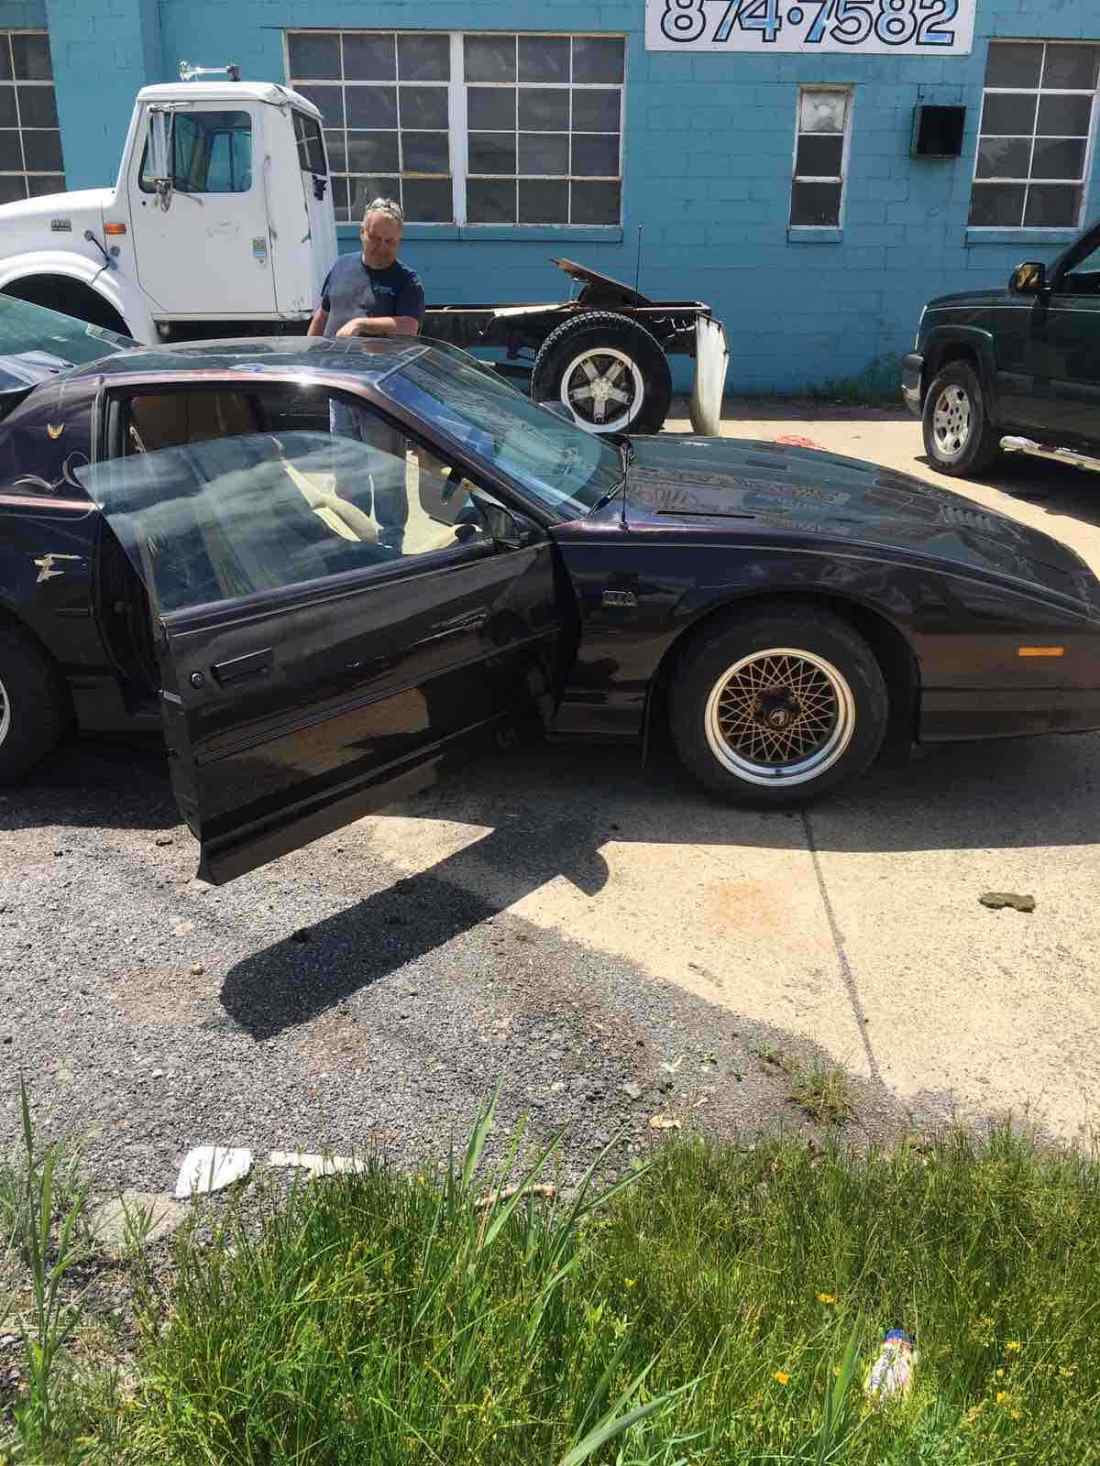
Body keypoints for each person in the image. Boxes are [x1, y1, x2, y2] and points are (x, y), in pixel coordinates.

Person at [308, 198, 425, 554]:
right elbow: (323, 313)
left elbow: (409, 326)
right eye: (376, 238)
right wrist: (305, 354)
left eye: (391, 242)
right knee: (348, 469)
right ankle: (355, 544)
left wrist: (361, 324)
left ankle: (392, 546)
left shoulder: (407, 282)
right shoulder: (341, 268)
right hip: (339, 389)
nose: (382, 247)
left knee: (385, 472)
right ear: (362, 233)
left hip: (380, 395)